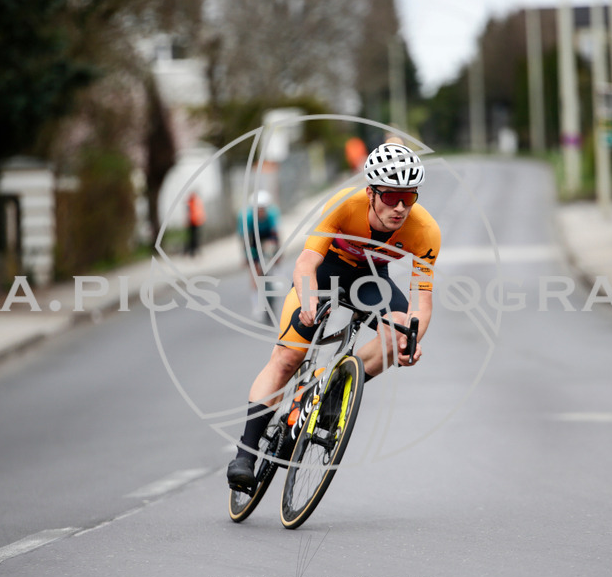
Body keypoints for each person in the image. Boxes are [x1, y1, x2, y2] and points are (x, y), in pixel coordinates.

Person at [227, 141, 441, 488]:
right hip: (326, 271)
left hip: (371, 278)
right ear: (371, 192)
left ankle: (336, 392)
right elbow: (305, 263)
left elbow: (422, 303)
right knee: (287, 358)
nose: (400, 207)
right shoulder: (344, 204)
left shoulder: (426, 231)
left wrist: (412, 343)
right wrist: (308, 302)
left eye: (409, 197)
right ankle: (246, 454)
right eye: (390, 197)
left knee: (400, 330)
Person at [237, 190, 281, 315]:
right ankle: (256, 303)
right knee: (254, 271)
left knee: (273, 251)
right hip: (252, 240)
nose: (261, 212)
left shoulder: (272, 214)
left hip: (266, 237)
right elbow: (245, 240)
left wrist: (278, 253)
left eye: (263, 209)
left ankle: (276, 273)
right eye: (258, 210)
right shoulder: (246, 218)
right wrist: (246, 257)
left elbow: (276, 235)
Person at [186, 191, 205, 257]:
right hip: (193, 222)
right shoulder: (192, 202)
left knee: (195, 237)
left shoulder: (194, 202)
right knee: (193, 237)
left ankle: (194, 250)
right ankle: (192, 251)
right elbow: (190, 213)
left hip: (196, 221)